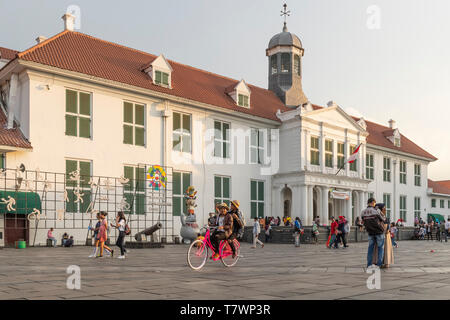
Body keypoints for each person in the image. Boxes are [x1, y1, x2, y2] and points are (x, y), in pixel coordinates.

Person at [361, 197, 386, 268]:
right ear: (373, 202)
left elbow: (363, 221)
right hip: (378, 231)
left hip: (370, 232)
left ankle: (369, 264)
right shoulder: (376, 211)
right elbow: (383, 218)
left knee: (370, 248)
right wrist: (378, 210)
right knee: (380, 248)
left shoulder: (363, 212)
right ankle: (379, 264)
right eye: (375, 203)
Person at [372, 203, 394, 268]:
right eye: (384, 208)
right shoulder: (380, 216)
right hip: (383, 234)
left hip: (382, 234)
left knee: (381, 248)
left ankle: (380, 262)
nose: (385, 210)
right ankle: (383, 262)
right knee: (383, 248)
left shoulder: (379, 217)